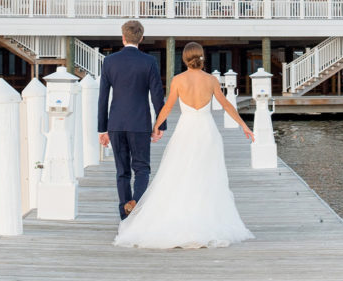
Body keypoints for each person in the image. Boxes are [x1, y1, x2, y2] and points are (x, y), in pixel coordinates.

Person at [114, 41, 254, 250]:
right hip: (206, 132)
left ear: (185, 59)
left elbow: (167, 106)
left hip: (185, 131)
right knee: (206, 177)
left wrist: (156, 127)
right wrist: (244, 126)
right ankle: (204, 221)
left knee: (179, 174)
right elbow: (226, 105)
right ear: (202, 57)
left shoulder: (178, 80)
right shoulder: (211, 80)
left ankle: (180, 217)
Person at [97, 19, 165, 220]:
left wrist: (102, 129)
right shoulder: (149, 62)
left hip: (116, 124)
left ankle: (124, 216)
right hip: (140, 123)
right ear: (141, 38)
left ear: (123, 37)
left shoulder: (110, 61)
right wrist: (160, 124)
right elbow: (157, 95)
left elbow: (102, 98)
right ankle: (137, 208)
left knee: (122, 171)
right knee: (142, 169)